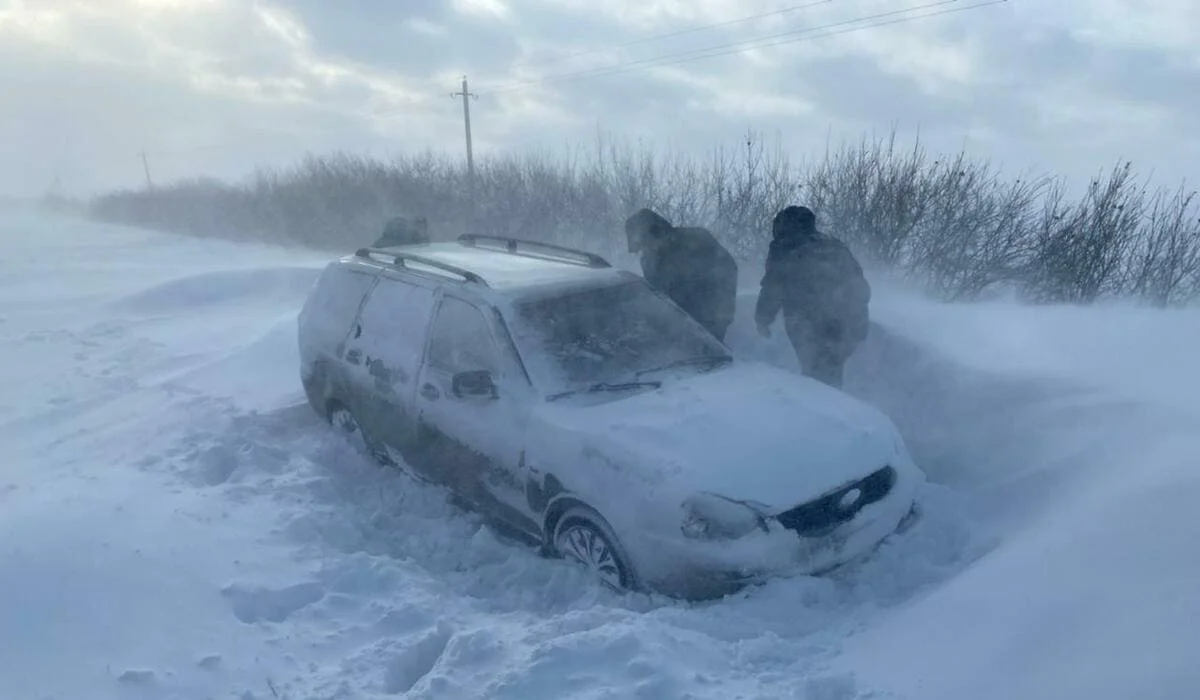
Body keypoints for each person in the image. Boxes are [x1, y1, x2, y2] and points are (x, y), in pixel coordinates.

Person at [754, 205, 871, 388]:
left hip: (803, 319)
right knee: (831, 369)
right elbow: (860, 286)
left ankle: (817, 408)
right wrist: (859, 320)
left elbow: (773, 286)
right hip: (843, 320)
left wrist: (763, 317)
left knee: (814, 369)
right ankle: (833, 406)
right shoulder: (835, 245)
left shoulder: (784, 247)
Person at [624, 208, 738, 342]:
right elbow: (657, 294)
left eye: (646, 243)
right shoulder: (649, 261)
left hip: (710, 319)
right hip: (676, 327)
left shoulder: (697, 240)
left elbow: (728, 270)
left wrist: (722, 314)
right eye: (641, 246)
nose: (646, 249)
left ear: (660, 233)